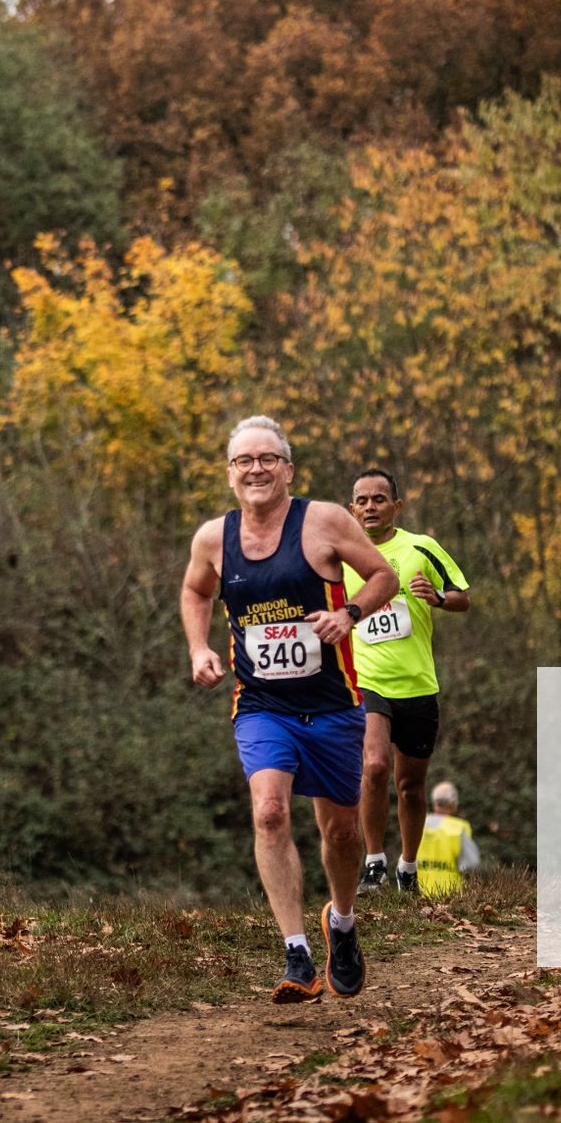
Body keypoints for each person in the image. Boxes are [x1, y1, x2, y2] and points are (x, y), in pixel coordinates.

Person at [182, 416, 397, 1002]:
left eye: (267, 459)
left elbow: (384, 575)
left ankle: (342, 923)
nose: (255, 469)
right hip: (262, 705)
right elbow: (196, 590)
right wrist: (199, 647)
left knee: (342, 831)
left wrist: (349, 614)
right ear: (230, 473)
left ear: (288, 469)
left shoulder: (324, 521)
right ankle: (296, 953)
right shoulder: (213, 539)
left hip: (333, 704)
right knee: (270, 813)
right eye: (244, 461)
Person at [342, 468, 470, 896]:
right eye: (362, 500)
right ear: (351, 509)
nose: (370, 507)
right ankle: (374, 862)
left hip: (417, 685)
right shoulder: (341, 557)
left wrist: (438, 597)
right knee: (375, 766)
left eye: (379, 499)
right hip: (367, 681)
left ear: (396, 506)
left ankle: (408, 868)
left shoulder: (422, 547)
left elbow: (462, 597)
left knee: (411, 788)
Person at [416, 781, 480, 897]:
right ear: (453, 803)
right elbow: (471, 865)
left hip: (418, 896)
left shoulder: (417, 824)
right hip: (450, 898)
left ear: (434, 802)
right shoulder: (459, 828)